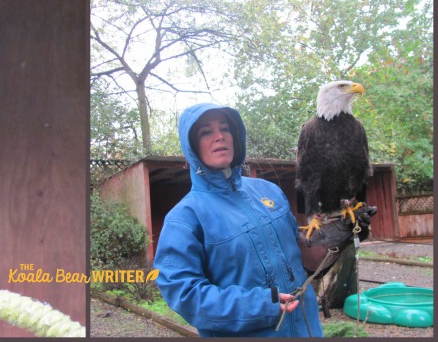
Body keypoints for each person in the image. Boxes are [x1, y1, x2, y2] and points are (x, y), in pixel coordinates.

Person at [153, 103, 375, 337]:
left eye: (225, 128)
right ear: (192, 147)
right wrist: (261, 304)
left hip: (307, 330)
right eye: (206, 132)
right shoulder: (185, 218)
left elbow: (302, 260)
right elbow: (183, 293)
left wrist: (338, 234)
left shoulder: (268, 191)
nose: (219, 136)